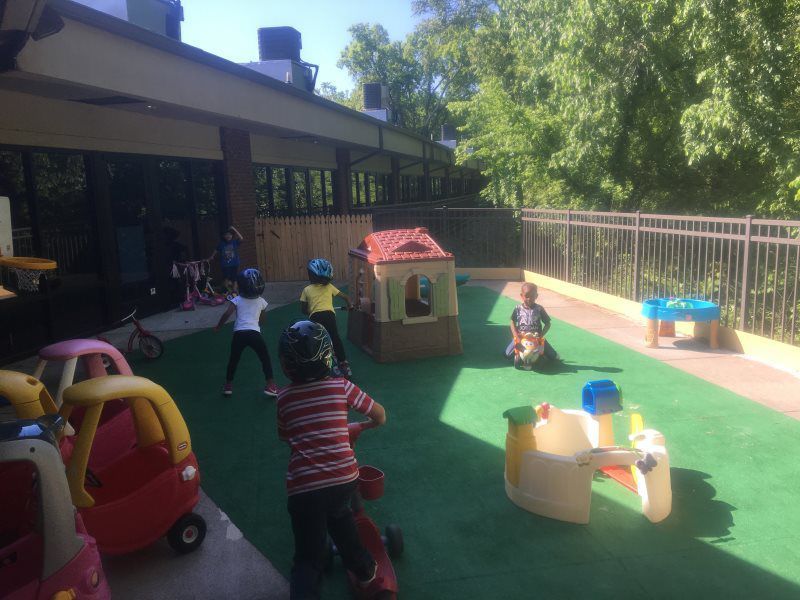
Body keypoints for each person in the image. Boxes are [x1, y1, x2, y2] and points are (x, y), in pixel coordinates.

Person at [276, 320, 386, 600]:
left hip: (303, 487)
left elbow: (286, 436)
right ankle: (365, 571)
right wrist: (362, 426)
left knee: (307, 557)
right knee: (341, 520)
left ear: (286, 365)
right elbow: (380, 415)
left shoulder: (283, 398)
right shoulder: (342, 386)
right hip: (342, 479)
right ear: (328, 357)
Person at [214, 268, 278, 397]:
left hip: (239, 335)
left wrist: (218, 326)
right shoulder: (261, 301)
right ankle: (270, 385)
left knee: (234, 359)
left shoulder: (237, 299)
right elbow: (262, 320)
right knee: (265, 358)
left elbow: (227, 314)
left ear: (241, 286)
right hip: (254, 334)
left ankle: (228, 386)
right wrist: (257, 322)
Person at [299, 258, 354, 378]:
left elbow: (303, 309)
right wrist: (350, 305)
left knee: (320, 341)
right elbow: (345, 297)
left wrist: (310, 310)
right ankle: (344, 363)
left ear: (311, 275)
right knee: (335, 338)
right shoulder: (329, 287)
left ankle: (329, 365)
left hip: (315, 318)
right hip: (329, 316)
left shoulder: (306, 290)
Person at [506, 282, 560, 364]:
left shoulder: (539, 309)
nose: (529, 298)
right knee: (507, 354)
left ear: (536, 296)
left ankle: (541, 354)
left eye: (532, 296)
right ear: (521, 295)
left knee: (553, 356)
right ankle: (520, 354)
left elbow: (548, 323)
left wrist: (541, 335)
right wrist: (516, 336)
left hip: (536, 338)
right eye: (527, 296)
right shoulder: (518, 308)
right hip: (521, 337)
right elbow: (512, 321)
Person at [208, 226, 243, 294]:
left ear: (232, 235)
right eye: (226, 235)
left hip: (235, 263)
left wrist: (234, 229)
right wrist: (211, 257)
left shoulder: (234, 242)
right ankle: (228, 291)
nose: (228, 236)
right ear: (224, 236)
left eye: (229, 234)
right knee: (226, 279)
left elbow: (241, 238)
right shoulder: (221, 244)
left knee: (235, 278)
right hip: (225, 265)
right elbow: (216, 250)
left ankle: (235, 291)